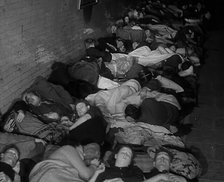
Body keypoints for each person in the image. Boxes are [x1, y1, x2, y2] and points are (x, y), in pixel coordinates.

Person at [29, 144, 102, 182]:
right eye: (83, 149)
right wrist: (94, 165)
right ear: (78, 146)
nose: (84, 154)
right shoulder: (68, 149)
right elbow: (86, 174)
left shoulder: (70, 164)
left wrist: (96, 172)